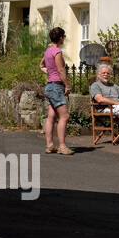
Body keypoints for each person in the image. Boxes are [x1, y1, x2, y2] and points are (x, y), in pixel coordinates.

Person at [39, 27, 73, 155]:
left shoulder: (48, 51)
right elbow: (60, 70)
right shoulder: (57, 51)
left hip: (49, 86)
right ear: (60, 38)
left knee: (51, 116)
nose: (64, 38)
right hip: (56, 86)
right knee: (64, 116)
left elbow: (41, 65)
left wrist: (49, 72)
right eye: (64, 36)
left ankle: (50, 145)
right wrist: (67, 85)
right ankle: (62, 146)